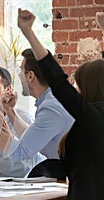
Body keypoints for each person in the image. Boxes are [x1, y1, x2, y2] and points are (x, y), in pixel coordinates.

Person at [18, 8, 104, 199]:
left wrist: (29, 33)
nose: (75, 88)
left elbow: (57, 81)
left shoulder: (93, 117)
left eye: (78, 84)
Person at [0, 51, 74, 161]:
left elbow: (19, 153)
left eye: (21, 70)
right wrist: (10, 110)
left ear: (30, 76)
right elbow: (32, 138)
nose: (19, 75)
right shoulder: (50, 101)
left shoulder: (51, 108)